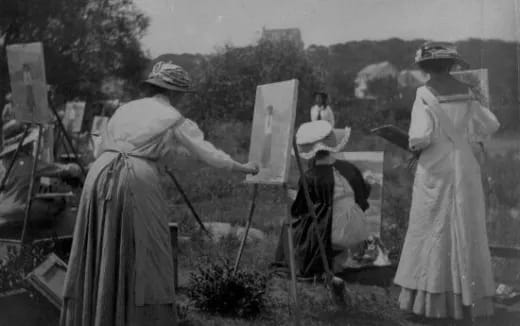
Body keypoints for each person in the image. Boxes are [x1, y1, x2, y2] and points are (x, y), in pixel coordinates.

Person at [60, 61, 259, 326]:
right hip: (134, 179)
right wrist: (242, 167)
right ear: (175, 94)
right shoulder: (172, 117)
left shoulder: (125, 108)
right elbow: (207, 153)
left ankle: (98, 315)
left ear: (152, 87)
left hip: (98, 174)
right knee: (148, 252)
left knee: (103, 244)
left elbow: (100, 147)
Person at [394, 42, 500, 321]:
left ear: (426, 67)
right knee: (466, 226)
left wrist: (415, 150)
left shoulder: (423, 94)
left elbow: (420, 136)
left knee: (432, 227)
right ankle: (468, 300)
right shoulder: (467, 92)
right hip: (464, 164)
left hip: (436, 166)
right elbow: (489, 125)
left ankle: (431, 301)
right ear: (451, 64)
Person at [272, 120, 371, 277]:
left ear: (310, 155)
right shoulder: (350, 169)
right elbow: (363, 200)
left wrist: (293, 195)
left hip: (331, 233)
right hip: (358, 230)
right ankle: (337, 259)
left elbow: (300, 209)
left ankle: (297, 263)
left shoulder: (310, 176)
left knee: (289, 223)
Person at [0, 125, 81, 228]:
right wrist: (75, 168)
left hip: (2, 212)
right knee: (59, 205)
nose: (33, 144)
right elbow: (62, 170)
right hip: (21, 211)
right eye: (30, 142)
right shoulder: (29, 163)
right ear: (24, 145)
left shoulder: (2, 163)